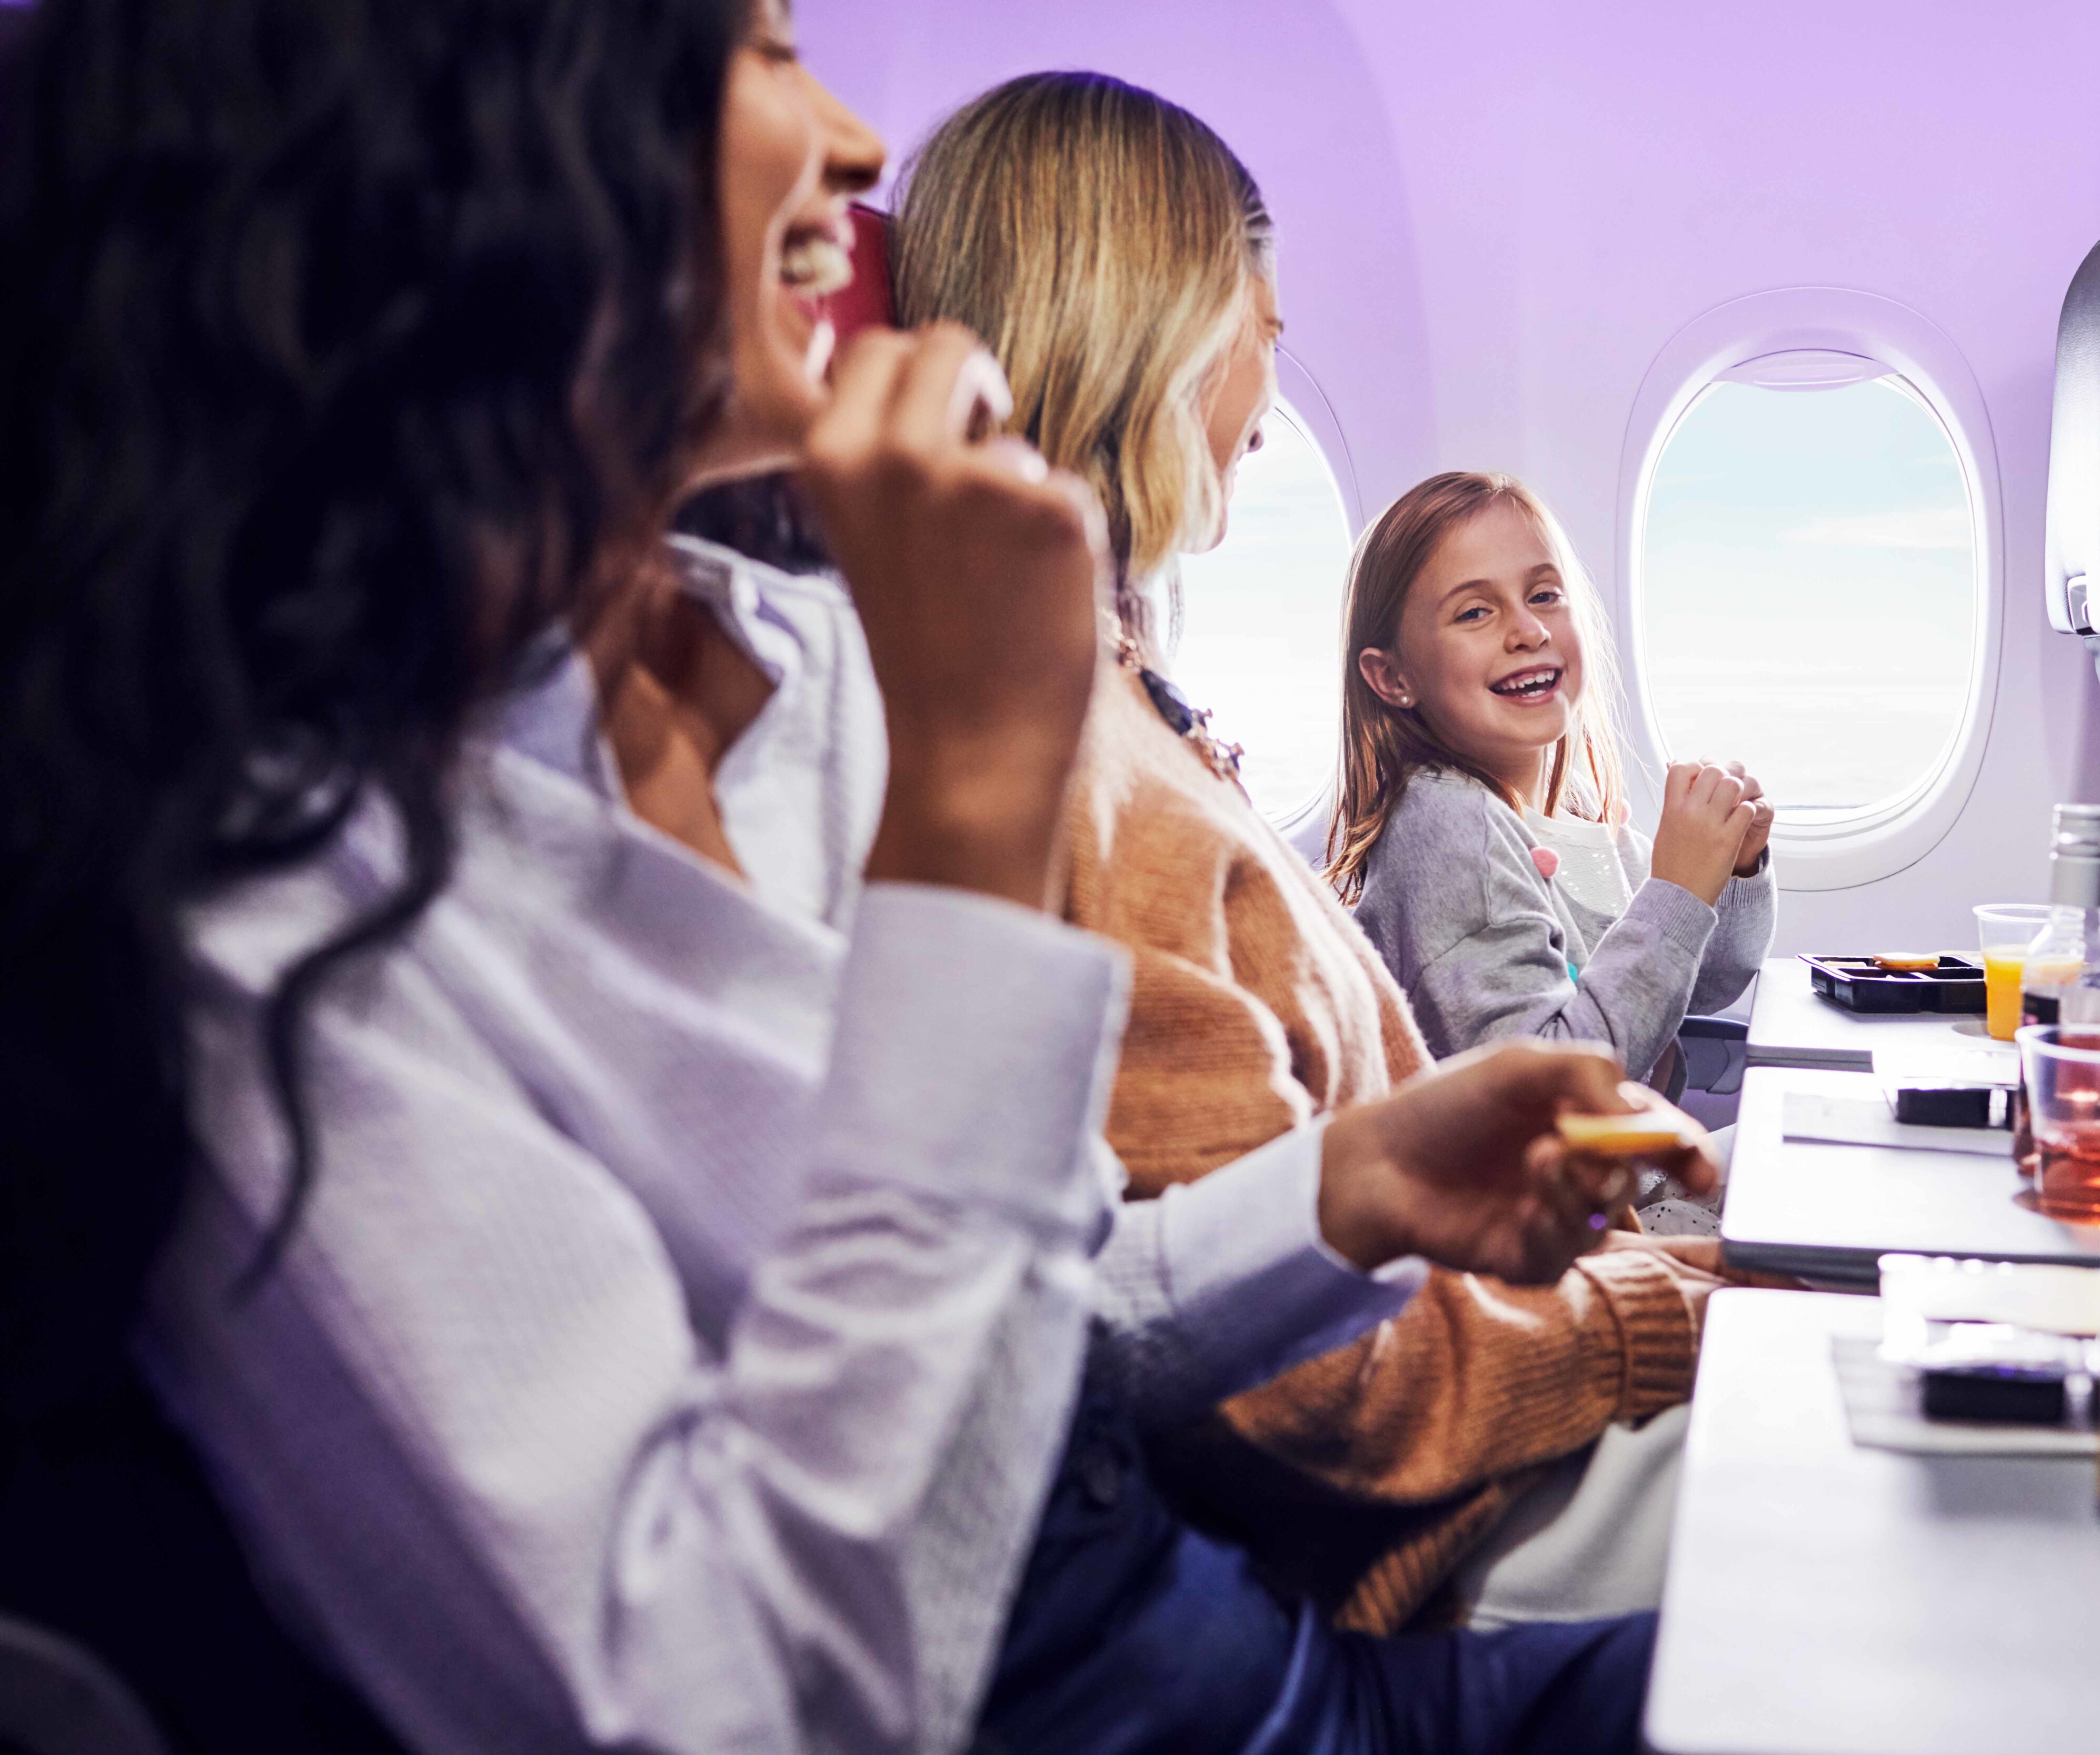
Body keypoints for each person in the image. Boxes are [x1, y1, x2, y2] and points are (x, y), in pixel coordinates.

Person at [0, 2, 1707, 1750]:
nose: (855, 141)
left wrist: (1344, 1191)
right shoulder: (281, 916)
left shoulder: (789, 655)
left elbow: (1008, 1325)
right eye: (753, 55)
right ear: (458, 150)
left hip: (1238, 1664)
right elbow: (727, 1706)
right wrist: (973, 810)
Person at [893, 72, 1754, 1638]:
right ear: (1155, 329)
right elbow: (1320, 1387)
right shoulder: (1064, 763)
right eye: (1260, 327)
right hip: (1460, 1505)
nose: (1275, 383)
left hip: (1500, 1376)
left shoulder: (1125, 704)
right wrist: (1674, 1305)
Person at [1329, 471, 1777, 1232]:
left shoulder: (1564, 822)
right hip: (1558, 1235)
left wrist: (1731, 869)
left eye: (1544, 595)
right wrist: (1678, 892)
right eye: (1476, 610)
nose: (1527, 630)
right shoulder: (1449, 828)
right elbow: (1550, 1101)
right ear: (1393, 676)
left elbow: (1708, 981)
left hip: (1627, 1195)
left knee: (1827, 1150)